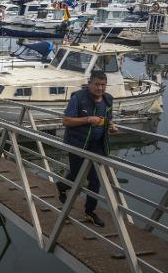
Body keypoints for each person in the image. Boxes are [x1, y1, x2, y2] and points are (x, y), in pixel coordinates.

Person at [56, 70, 117, 227]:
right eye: (97, 84)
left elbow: (108, 118)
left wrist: (111, 125)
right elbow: (66, 121)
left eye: (103, 85)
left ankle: (90, 212)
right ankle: (61, 186)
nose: (100, 88)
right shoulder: (78, 98)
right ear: (90, 83)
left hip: (97, 146)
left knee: (95, 180)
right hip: (78, 143)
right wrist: (88, 119)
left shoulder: (108, 100)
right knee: (77, 177)